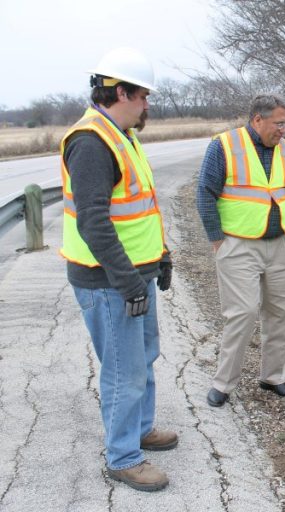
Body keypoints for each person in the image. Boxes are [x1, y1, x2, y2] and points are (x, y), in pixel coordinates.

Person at [60, 47, 177, 492]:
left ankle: (140, 429)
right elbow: (93, 221)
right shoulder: (91, 142)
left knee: (142, 360)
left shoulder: (122, 134)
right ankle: (123, 456)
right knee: (122, 371)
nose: (147, 105)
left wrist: (159, 257)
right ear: (121, 92)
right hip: (109, 282)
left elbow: (140, 209)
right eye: (143, 96)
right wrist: (129, 281)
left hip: (133, 275)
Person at [197, 94, 285, 407]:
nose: (284, 129)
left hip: (282, 244)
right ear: (258, 119)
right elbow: (205, 193)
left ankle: (274, 377)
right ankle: (223, 383)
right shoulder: (224, 146)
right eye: (279, 123)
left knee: (280, 314)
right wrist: (218, 240)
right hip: (238, 245)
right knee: (242, 313)